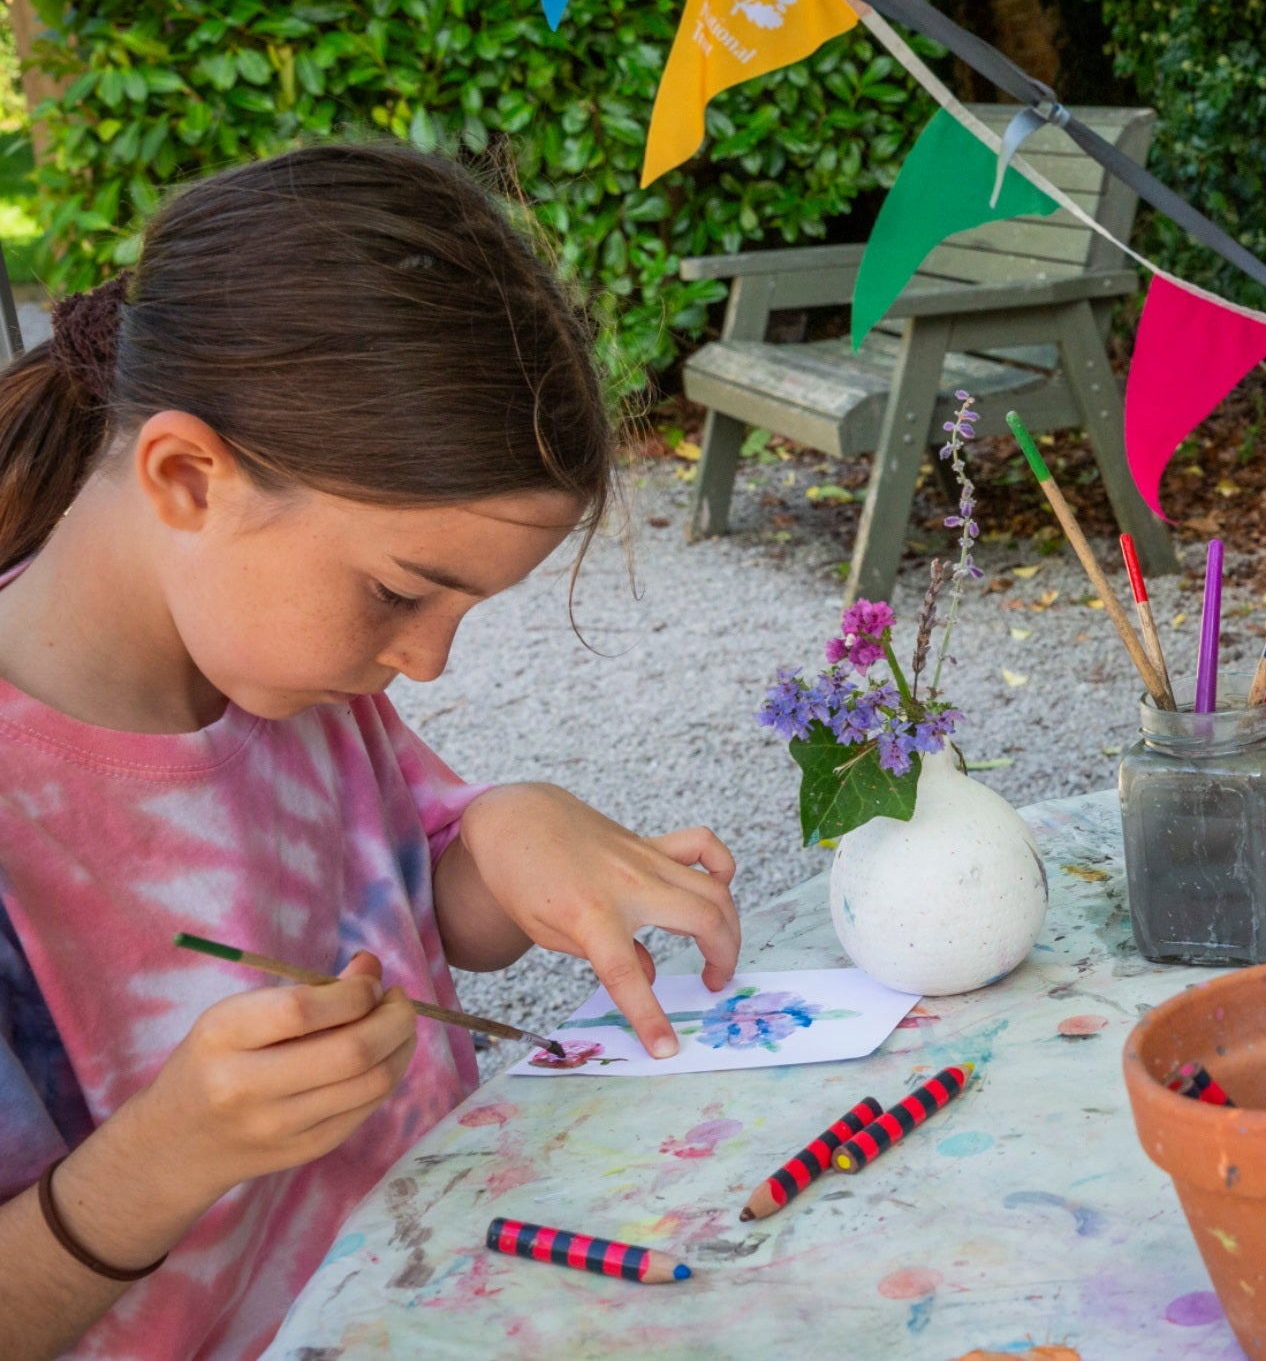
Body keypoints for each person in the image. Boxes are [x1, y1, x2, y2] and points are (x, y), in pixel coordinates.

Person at [0, 143, 744, 1360]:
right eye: (402, 593)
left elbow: (417, 911)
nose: (429, 662)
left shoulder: (291, 675)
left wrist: (506, 837)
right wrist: (162, 1158)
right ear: (189, 479)